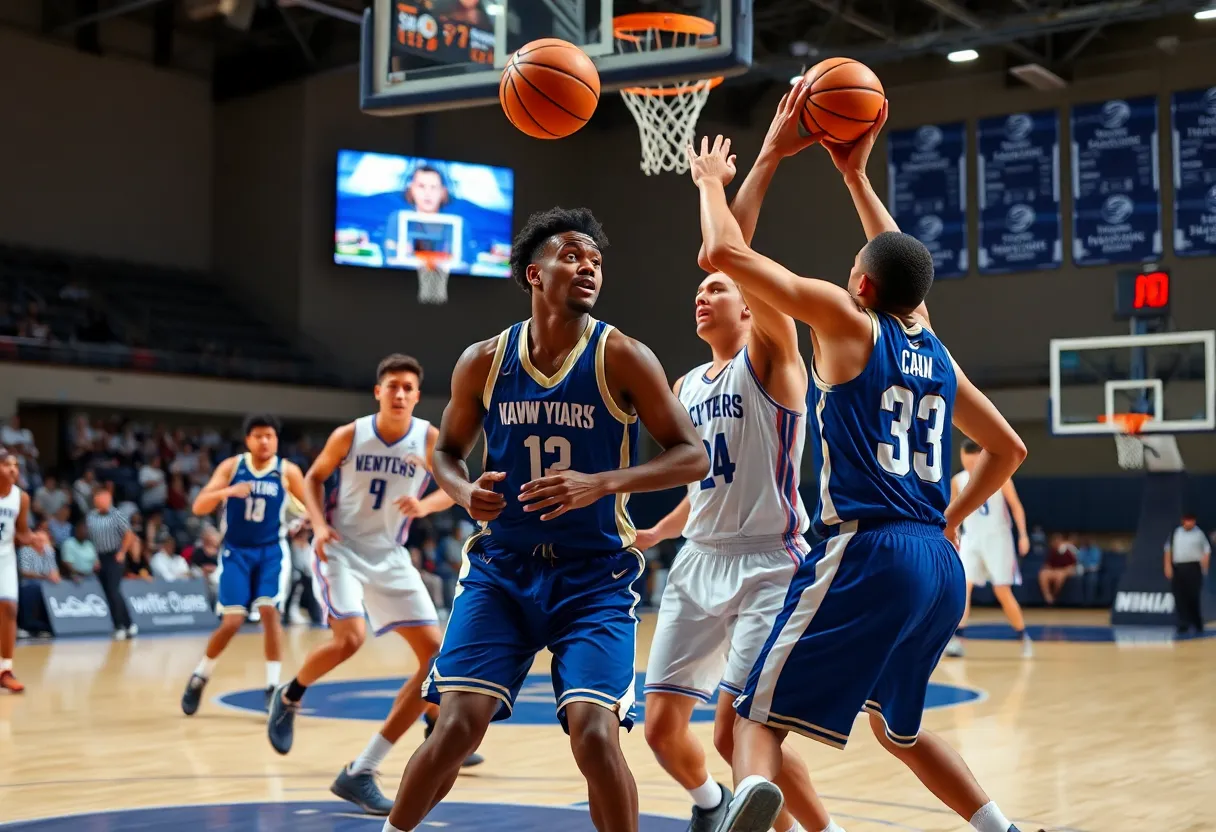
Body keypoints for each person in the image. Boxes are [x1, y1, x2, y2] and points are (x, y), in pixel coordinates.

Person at [687, 81, 1028, 832]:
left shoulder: (847, 323)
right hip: (939, 568)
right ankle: (1000, 830)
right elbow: (1008, 448)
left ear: (860, 285)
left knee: (754, 717)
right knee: (898, 729)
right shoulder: (934, 351)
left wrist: (729, 174)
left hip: (865, 548)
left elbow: (722, 253)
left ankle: (749, 801)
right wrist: (854, 175)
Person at [380, 207, 709, 832]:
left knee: (593, 735)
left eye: (596, 262)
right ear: (535, 273)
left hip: (594, 576)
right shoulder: (484, 360)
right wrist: (460, 489)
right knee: (454, 727)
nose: (589, 267)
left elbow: (692, 455)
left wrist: (605, 482)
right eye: (573, 256)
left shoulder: (623, 356)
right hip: (502, 572)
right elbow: (445, 453)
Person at [633, 101, 838, 832]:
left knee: (736, 733)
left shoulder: (775, 362)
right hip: (697, 560)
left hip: (770, 563)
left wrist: (737, 172)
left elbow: (727, 251)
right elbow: (702, 483)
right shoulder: (687, 385)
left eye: (717, 290)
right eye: (698, 293)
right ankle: (712, 807)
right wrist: (658, 532)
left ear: (752, 310)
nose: (703, 291)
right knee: (661, 731)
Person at [267, 354, 474, 815]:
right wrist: (318, 526)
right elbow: (313, 479)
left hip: (390, 555)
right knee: (351, 639)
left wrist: (427, 506)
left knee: (437, 660)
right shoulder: (351, 434)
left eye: (408, 388)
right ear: (378, 392)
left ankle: (362, 769)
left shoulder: (429, 438)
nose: (400, 393)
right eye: (392, 386)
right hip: (341, 547)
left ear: (418, 397)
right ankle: (290, 695)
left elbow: (456, 485)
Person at [180, 415, 307, 716]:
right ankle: (200, 676)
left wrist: (311, 524)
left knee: (268, 611)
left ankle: (272, 688)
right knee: (232, 623)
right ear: (248, 440)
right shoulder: (232, 467)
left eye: (270, 436)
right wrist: (228, 492)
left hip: (271, 552)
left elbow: (313, 505)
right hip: (235, 552)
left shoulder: (287, 471)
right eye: (258, 436)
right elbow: (199, 506)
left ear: (276, 440)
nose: (264, 441)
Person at [944, 439, 1033, 659]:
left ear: (981, 457)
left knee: (1001, 591)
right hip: (971, 538)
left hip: (998, 538)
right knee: (963, 587)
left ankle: (1023, 636)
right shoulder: (959, 480)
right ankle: (958, 640)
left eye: (972, 463)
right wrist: (950, 532)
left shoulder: (1000, 475)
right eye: (965, 463)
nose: (969, 468)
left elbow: (1016, 507)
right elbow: (952, 509)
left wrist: (1022, 535)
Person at [0, 453, 35, 692]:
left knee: (10, 608)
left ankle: (6, 669)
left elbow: (21, 532)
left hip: (6, 559)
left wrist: (34, 539)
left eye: (16, 465)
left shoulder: (21, 498)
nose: (13, 469)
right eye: (7, 465)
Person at [86, 486, 139, 639]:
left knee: (114, 590)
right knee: (108, 593)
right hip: (100, 556)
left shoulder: (117, 515)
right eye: (96, 499)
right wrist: (94, 556)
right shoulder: (91, 516)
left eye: (101, 499)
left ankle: (123, 625)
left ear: (108, 500)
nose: (98, 501)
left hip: (115, 556)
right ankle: (124, 624)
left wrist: (122, 552)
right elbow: (91, 538)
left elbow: (129, 535)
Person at [1165, 514, 1209, 635]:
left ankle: (1197, 623)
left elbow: (1206, 551)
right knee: (1180, 597)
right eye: (1188, 521)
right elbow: (1168, 550)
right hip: (1179, 567)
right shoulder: (1175, 533)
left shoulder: (1199, 533)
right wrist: (1168, 566)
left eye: (1192, 521)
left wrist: (1204, 566)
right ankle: (1183, 624)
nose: (1190, 523)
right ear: (1183, 521)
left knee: (1193, 596)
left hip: (1194, 567)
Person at [1038, 535, 1077, 605]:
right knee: (1043, 574)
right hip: (1054, 570)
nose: (1056, 543)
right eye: (1055, 541)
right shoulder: (1052, 551)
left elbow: (1073, 566)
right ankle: (1048, 596)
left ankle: (1054, 596)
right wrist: (1049, 570)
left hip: (1065, 571)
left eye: (1058, 541)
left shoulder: (1068, 551)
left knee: (1059, 575)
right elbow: (1048, 565)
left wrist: (1062, 570)